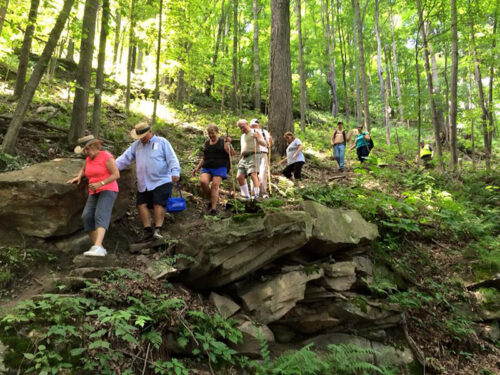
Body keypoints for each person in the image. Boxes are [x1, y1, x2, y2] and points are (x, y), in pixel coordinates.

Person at [116, 122, 181, 242]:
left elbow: (172, 158)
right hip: (144, 182)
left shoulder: (162, 142)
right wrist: (111, 167)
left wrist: (175, 172)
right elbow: (124, 159)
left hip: (162, 179)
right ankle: (147, 231)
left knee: (158, 203)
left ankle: (158, 229)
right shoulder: (136, 145)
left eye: (144, 136)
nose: (142, 139)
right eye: (140, 137)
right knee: (141, 204)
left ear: (150, 132)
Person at [67, 135, 120, 256]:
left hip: (108, 189)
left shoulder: (106, 156)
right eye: (84, 150)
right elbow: (84, 169)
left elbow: (116, 174)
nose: (86, 153)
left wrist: (100, 183)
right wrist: (79, 176)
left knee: (100, 215)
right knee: (86, 217)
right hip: (94, 191)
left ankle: (97, 246)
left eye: (87, 149)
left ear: (94, 146)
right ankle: (99, 247)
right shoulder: (88, 159)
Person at [192, 124, 234, 215]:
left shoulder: (223, 141)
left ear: (217, 132)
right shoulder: (207, 143)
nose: (211, 135)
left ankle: (213, 209)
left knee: (215, 185)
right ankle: (212, 199)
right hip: (207, 166)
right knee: (203, 182)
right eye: (209, 133)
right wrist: (197, 168)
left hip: (220, 166)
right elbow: (204, 157)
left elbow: (232, 154)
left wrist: (229, 144)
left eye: (213, 133)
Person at [236, 119, 267, 199]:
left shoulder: (255, 132)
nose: (242, 129)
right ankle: (246, 196)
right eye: (240, 128)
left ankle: (256, 195)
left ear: (247, 124)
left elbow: (264, 143)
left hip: (254, 155)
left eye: (243, 127)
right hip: (243, 157)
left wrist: (258, 138)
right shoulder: (242, 136)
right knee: (239, 176)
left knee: (253, 174)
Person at [250, 118, 273, 198]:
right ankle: (253, 192)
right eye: (253, 125)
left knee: (263, 172)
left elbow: (269, 144)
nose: (254, 126)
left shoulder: (264, 132)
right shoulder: (249, 132)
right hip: (253, 153)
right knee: (253, 172)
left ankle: (263, 192)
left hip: (263, 153)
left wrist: (270, 141)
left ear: (258, 125)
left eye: (256, 124)